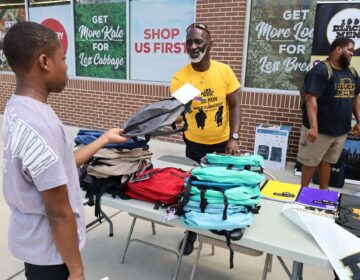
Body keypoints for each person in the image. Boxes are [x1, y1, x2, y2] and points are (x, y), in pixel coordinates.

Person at [2, 22, 128, 280]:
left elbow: (60, 167)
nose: (67, 66)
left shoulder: (16, 108)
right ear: (45, 62)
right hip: (52, 256)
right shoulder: (40, 126)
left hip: (34, 246)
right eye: (64, 58)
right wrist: (77, 270)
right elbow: (59, 213)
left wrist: (103, 139)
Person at [170, 22, 241, 255]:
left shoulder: (224, 71)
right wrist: (170, 118)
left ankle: (224, 224)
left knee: (221, 187)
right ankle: (191, 233)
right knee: (196, 189)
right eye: (189, 42)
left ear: (209, 44)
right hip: (195, 144)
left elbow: (234, 104)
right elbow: (180, 112)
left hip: (222, 143)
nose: (193, 46)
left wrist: (234, 137)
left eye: (198, 41)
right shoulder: (181, 78)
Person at [298, 37, 360, 190]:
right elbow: (311, 99)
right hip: (319, 130)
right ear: (338, 49)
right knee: (310, 162)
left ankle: (323, 191)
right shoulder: (320, 71)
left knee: (328, 162)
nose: (352, 54)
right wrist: (313, 127)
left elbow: (356, 96)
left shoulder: (351, 71)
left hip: (340, 130)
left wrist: (359, 120)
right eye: (350, 50)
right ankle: (303, 192)